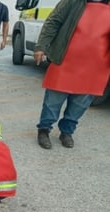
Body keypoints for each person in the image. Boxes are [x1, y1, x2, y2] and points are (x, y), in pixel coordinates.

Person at [35, 0, 110, 149]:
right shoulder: (73, 2)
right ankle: (44, 129)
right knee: (53, 102)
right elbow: (53, 21)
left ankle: (67, 132)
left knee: (80, 105)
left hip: (96, 67)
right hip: (65, 62)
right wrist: (41, 46)